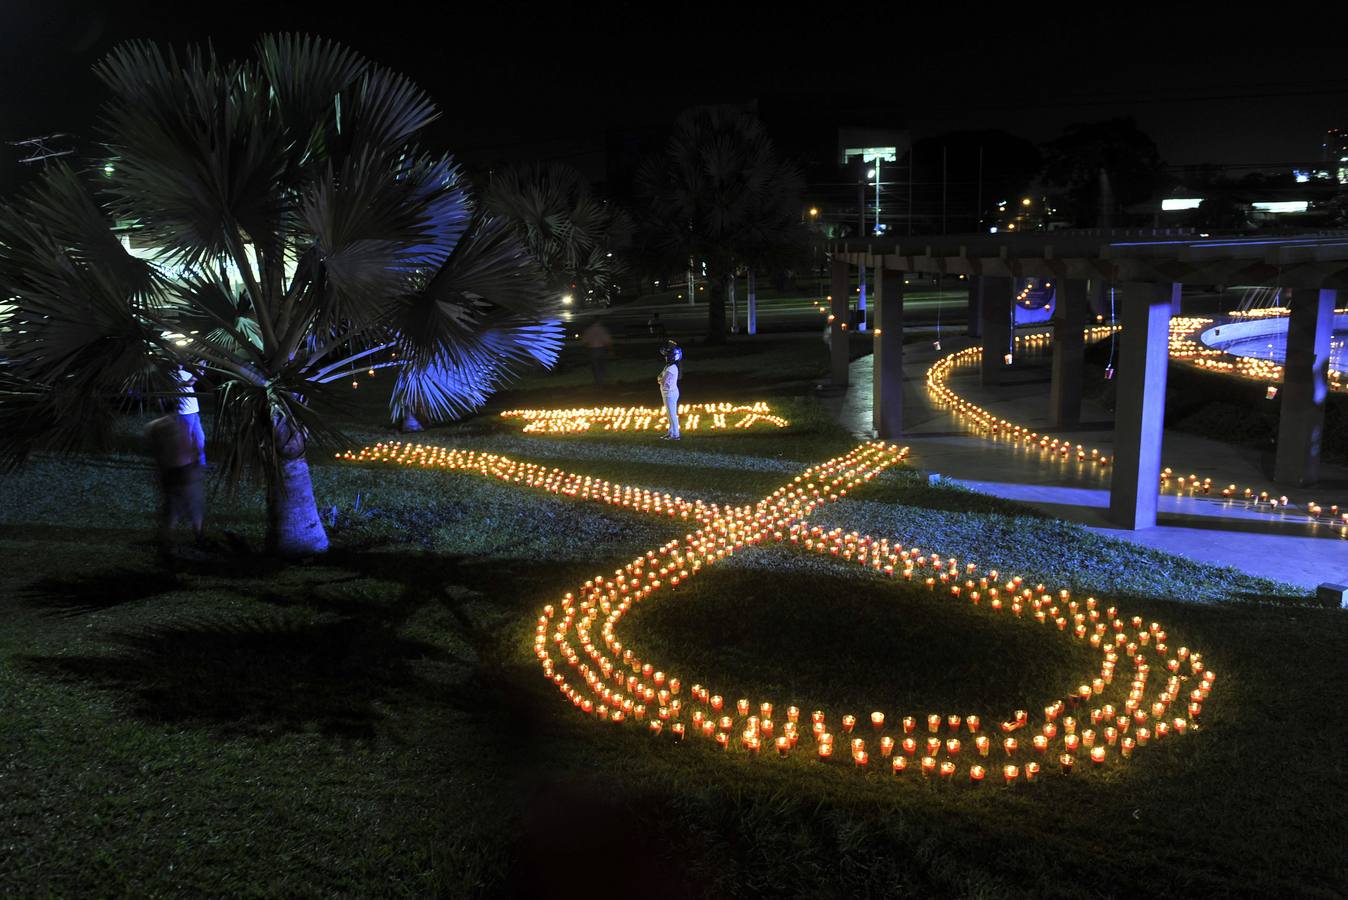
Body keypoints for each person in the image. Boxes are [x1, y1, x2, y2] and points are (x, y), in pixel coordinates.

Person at [148, 413, 206, 556]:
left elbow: (154, 450)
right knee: (194, 503)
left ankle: (166, 539)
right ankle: (198, 535)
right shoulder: (184, 424)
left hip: (168, 470)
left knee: (172, 507)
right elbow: (195, 443)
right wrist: (198, 460)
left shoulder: (153, 426)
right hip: (185, 469)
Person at [174, 365, 207, 466]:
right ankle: (185, 464)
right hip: (184, 412)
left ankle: (201, 463)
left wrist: (200, 370)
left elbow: (194, 378)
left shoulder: (183, 372)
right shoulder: (170, 375)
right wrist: (198, 373)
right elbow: (189, 383)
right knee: (186, 441)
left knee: (200, 438)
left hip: (193, 411)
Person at [657, 340, 682, 441]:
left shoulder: (672, 368)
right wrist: (660, 379)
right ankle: (671, 432)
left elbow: (662, 380)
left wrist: (659, 379)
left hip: (670, 394)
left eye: (668, 355)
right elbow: (660, 378)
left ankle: (676, 434)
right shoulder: (669, 366)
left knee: (672, 415)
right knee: (669, 415)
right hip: (667, 393)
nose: (666, 357)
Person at [581, 319, 612, 386]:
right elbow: (607, 341)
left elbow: (585, 341)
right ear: (599, 322)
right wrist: (609, 350)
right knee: (602, 365)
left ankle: (598, 381)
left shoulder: (589, 330)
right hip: (601, 349)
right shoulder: (603, 329)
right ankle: (603, 380)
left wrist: (587, 349)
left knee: (595, 366)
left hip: (593, 349)